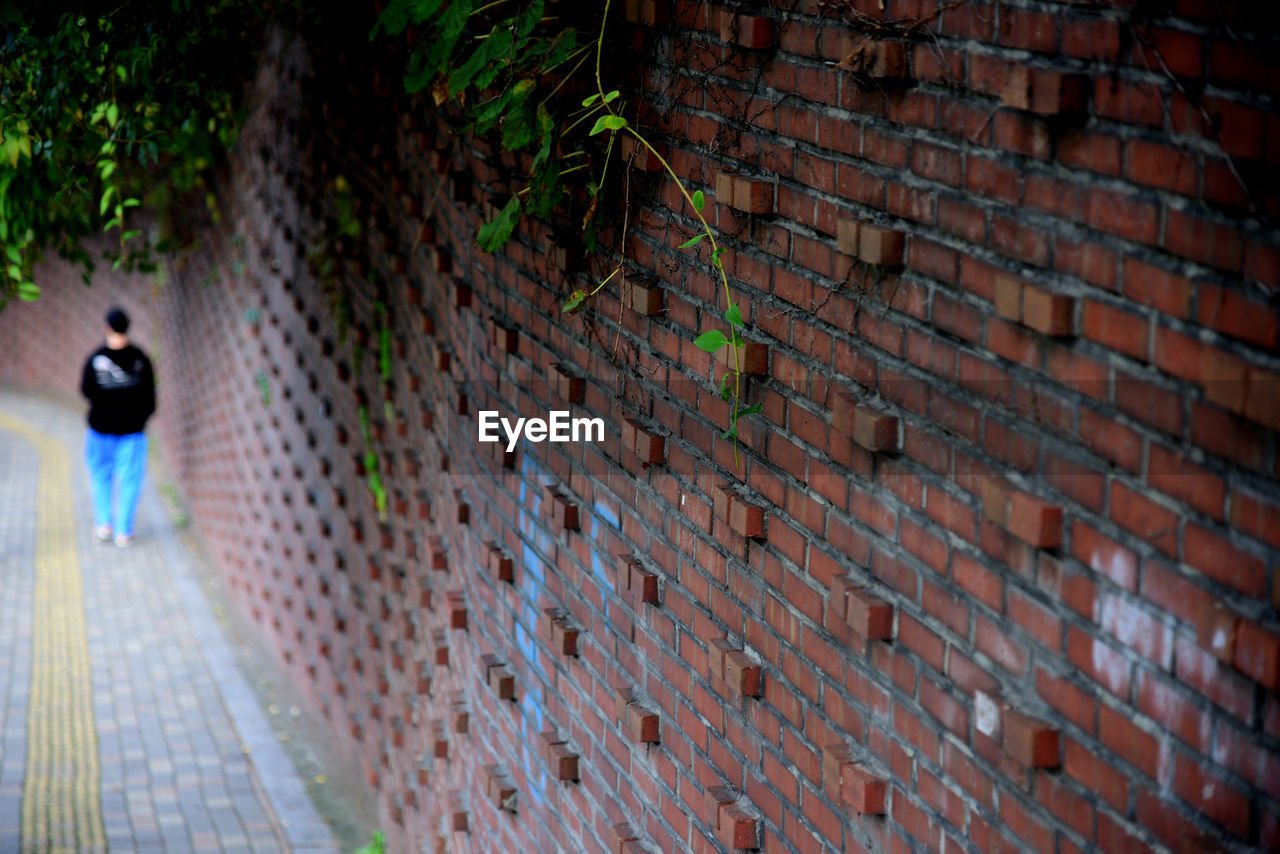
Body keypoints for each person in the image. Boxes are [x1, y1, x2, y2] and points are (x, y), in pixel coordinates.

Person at [80, 307, 156, 548]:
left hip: (99, 431)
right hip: (132, 433)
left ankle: (104, 524)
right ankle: (124, 531)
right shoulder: (140, 359)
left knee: (101, 476)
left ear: (106, 327)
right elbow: (150, 399)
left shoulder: (96, 358)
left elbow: (86, 391)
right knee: (130, 480)